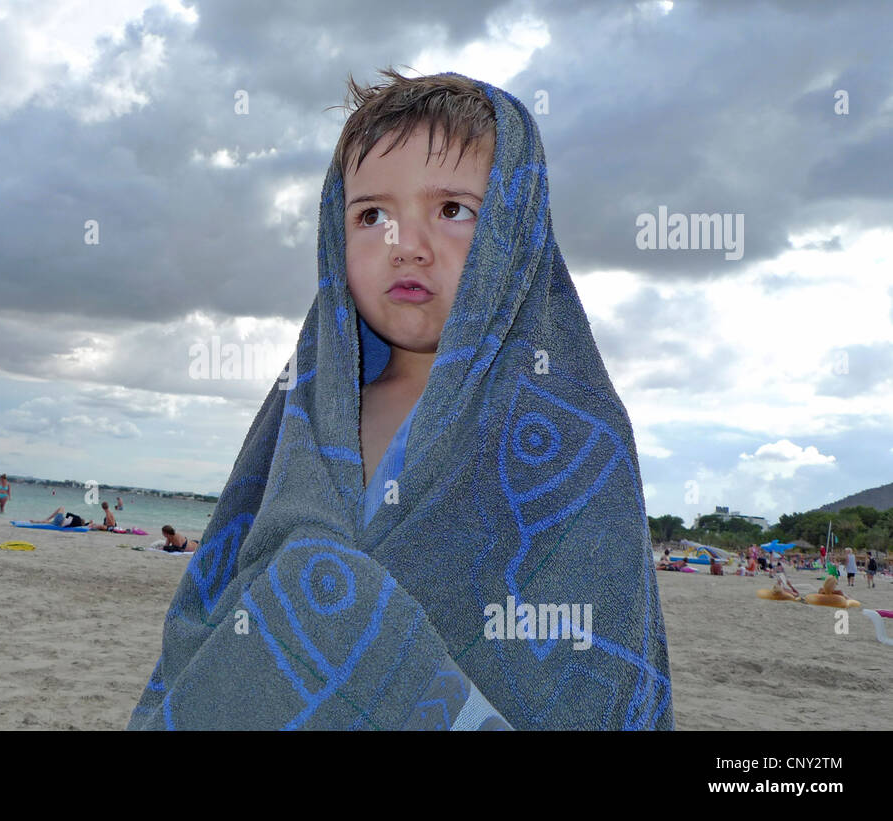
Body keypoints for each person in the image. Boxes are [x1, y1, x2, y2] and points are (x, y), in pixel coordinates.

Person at [129, 70, 671, 731]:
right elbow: (216, 605)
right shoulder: (301, 416)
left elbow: (597, 675)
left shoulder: (576, 438)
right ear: (336, 236)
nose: (405, 244)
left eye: (452, 211)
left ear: (514, 229)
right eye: (372, 215)